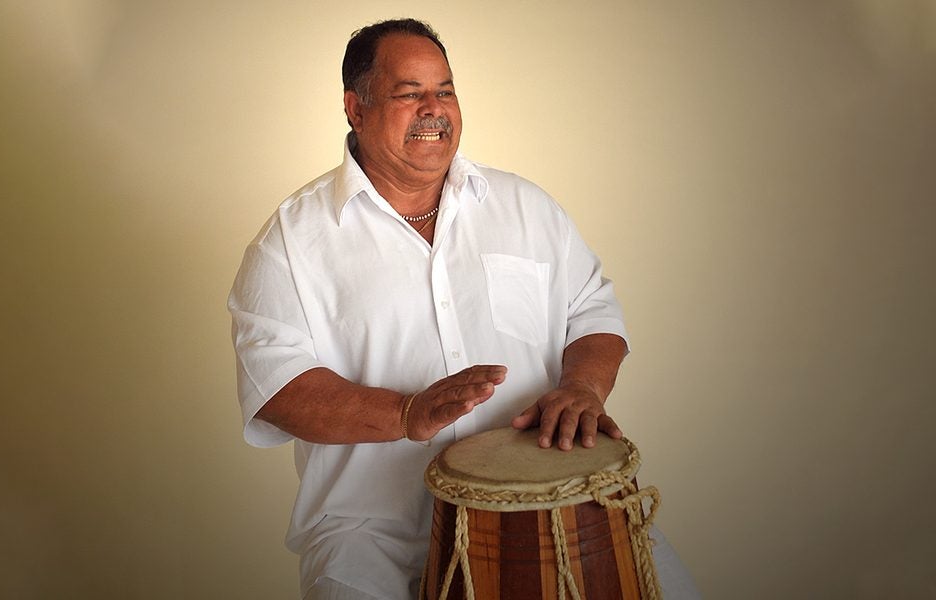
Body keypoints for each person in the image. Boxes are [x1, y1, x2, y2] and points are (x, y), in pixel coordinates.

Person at [229, 18, 697, 600]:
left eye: (444, 90)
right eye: (409, 93)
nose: (434, 109)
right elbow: (278, 389)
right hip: (374, 532)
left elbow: (593, 312)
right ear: (355, 106)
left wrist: (583, 388)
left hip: (553, 503)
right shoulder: (290, 242)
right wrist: (405, 414)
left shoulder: (527, 208)